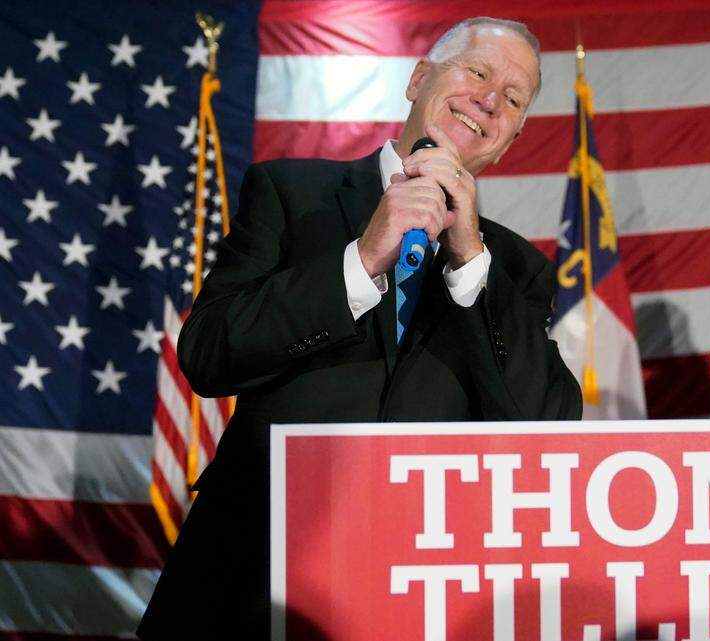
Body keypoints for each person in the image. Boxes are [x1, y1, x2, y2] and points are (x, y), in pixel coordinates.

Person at [138, 17, 582, 639]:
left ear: (508, 140)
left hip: (422, 588)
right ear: (418, 79)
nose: (490, 100)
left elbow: (548, 426)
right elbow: (209, 354)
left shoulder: (510, 269)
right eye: (478, 72)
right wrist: (361, 260)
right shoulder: (291, 194)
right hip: (253, 571)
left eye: (513, 99)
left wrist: (469, 263)